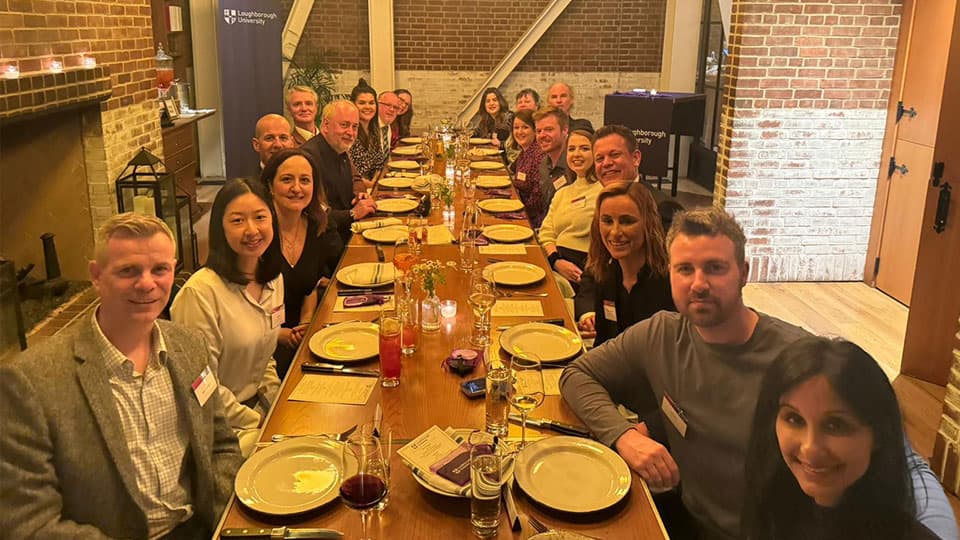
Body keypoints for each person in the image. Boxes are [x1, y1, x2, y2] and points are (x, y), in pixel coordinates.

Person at [560, 207, 812, 540]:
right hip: (684, 520)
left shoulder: (802, 361)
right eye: (685, 269)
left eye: (715, 268)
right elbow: (576, 375)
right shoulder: (662, 334)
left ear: (744, 273)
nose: (698, 284)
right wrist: (624, 436)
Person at [0, 213, 242, 539]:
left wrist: (224, 519)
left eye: (160, 269)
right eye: (128, 271)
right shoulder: (29, 382)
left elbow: (222, 445)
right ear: (96, 276)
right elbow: (29, 523)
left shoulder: (189, 347)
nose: (146, 283)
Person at [742, 337, 957, 540]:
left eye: (835, 425)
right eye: (794, 419)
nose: (810, 448)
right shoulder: (772, 501)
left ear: (879, 435)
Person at [171, 178, 283, 455]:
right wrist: (259, 423)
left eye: (260, 217)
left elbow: (264, 358)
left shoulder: (273, 278)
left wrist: (279, 404)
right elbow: (200, 385)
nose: (252, 230)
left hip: (258, 412)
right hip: (219, 429)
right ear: (220, 228)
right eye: (237, 221)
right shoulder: (200, 294)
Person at [260, 148, 344, 378]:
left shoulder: (316, 226)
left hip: (300, 335)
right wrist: (280, 334)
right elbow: (240, 310)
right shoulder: (259, 234)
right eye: (287, 180)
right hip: (262, 346)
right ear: (270, 186)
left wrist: (306, 323)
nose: (297, 188)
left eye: (305, 180)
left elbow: (310, 286)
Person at [577, 181, 675, 346]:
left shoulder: (670, 284)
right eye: (607, 221)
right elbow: (602, 345)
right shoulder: (605, 277)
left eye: (627, 221)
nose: (615, 232)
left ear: (648, 224)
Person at [301, 100, 378, 244]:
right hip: (323, 244)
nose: (350, 132)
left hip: (345, 233)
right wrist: (352, 213)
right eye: (344, 125)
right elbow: (311, 214)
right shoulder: (308, 158)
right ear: (325, 125)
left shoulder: (340, 149)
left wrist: (357, 197)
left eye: (354, 127)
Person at [538, 130, 601, 290]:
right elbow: (546, 233)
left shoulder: (603, 191)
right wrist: (556, 261)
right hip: (554, 262)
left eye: (585, 149)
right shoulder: (562, 193)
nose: (577, 154)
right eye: (572, 149)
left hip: (583, 271)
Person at [508, 109, 546, 227]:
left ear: (535, 130)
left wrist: (516, 212)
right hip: (520, 209)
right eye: (516, 127)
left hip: (531, 220)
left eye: (525, 127)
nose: (519, 132)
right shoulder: (525, 152)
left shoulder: (539, 155)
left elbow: (537, 199)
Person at [348, 79, 388, 189]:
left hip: (374, 185)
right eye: (362, 103)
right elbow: (347, 171)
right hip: (356, 190)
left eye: (371, 103)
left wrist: (375, 181)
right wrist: (369, 184)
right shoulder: (349, 133)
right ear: (353, 105)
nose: (367, 107)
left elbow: (380, 162)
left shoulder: (374, 130)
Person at [535, 106, 574, 210]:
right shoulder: (543, 164)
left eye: (548, 129)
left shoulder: (574, 165)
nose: (542, 135)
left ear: (565, 130)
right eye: (538, 131)